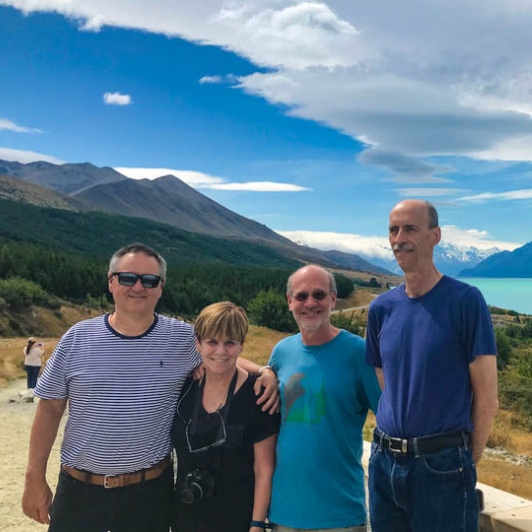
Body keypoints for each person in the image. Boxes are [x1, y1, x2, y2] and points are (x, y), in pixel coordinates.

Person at [22, 242, 278, 532]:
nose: (138, 287)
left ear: (161, 287)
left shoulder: (182, 338)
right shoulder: (77, 338)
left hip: (149, 493)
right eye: (128, 277)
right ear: (111, 282)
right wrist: (34, 477)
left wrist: (265, 371)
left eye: (150, 280)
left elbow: (222, 355)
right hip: (80, 488)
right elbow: (50, 408)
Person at [365, 199, 499, 532]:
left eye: (410, 228)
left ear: (435, 236)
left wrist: (464, 462)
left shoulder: (465, 301)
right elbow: (389, 385)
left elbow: (487, 400)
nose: (399, 239)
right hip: (383, 462)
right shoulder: (381, 309)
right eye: (393, 230)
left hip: (442, 467)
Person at [268, 265, 381, 532]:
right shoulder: (281, 352)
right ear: (289, 302)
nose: (310, 303)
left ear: (332, 299)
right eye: (301, 296)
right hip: (284, 513)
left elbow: (390, 421)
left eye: (318, 295)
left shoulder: (359, 353)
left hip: (340, 515)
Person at [171, 301, 280, 532]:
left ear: (241, 345)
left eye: (230, 343)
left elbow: (264, 468)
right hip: (186, 513)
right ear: (198, 344)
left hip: (236, 518)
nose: (220, 351)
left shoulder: (258, 395)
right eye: (212, 342)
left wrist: (257, 524)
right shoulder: (185, 387)